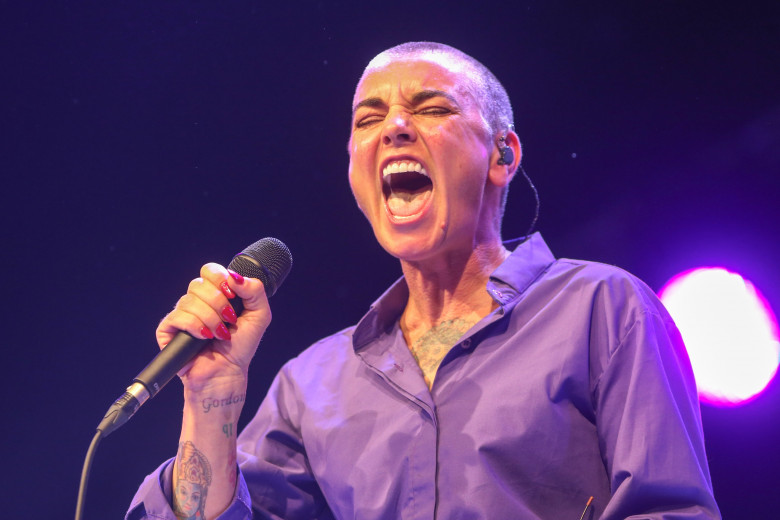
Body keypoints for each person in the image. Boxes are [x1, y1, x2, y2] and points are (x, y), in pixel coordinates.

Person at [127, 42, 721, 519]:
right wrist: (211, 395)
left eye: (433, 109)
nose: (395, 128)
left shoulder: (603, 311)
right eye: (369, 119)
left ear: (503, 156)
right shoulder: (311, 386)